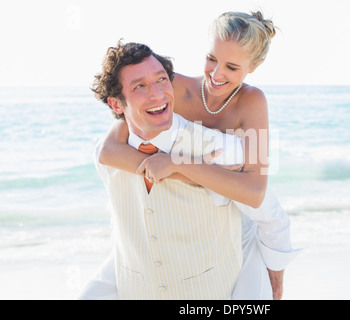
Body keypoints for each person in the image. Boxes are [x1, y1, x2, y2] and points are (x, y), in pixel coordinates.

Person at [80, 12, 298, 300]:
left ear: (253, 67)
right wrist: (170, 172)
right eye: (211, 59)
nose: (217, 74)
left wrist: (177, 166)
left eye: (232, 67)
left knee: (266, 267)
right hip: (180, 210)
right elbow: (108, 150)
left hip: (230, 212)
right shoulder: (171, 86)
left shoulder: (253, 102)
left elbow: (255, 192)